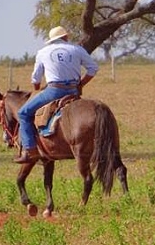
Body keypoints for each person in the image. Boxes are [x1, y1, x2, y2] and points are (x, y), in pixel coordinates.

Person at [14, 26, 99, 164]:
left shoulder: (43, 52)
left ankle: (30, 151)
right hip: (73, 91)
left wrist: (37, 90)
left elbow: (35, 78)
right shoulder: (77, 49)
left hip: (53, 91)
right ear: (65, 37)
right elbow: (93, 68)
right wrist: (81, 84)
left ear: (51, 40)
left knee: (23, 113)